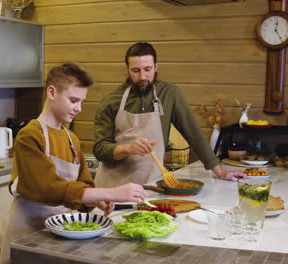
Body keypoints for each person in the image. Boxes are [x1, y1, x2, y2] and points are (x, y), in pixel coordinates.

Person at [0, 63, 146, 264]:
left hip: (60, 234)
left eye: (82, 102)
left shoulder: (72, 139)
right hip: (26, 232)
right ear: (51, 92)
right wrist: (113, 193)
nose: (79, 108)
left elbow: (82, 185)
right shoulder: (29, 136)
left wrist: (94, 201)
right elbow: (49, 188)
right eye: (74, 100)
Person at [93, 42, 246, 187]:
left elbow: (193, 133)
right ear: (127, 69)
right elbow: (100, 149)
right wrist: (128, 149)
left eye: (147, 69)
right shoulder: (111, 100)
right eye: (135, 70)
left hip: (151, 186)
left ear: (156, 67)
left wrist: (220, 172)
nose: (142, 77)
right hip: (112, 188)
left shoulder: (168, 93)